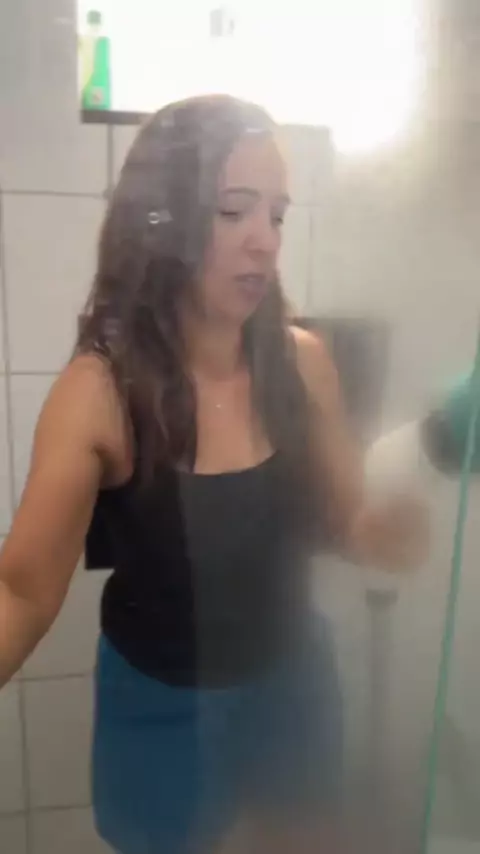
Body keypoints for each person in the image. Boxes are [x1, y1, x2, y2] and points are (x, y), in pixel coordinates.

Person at [0, 95, 428, 854]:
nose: (265, 240)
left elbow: (348, 519)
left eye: (277, 215)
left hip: (292, 682)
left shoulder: (303, 364)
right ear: (160, 222)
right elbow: (22, 592)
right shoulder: (99, 393)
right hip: (158, 701)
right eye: (234, 211)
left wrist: (387, 533)